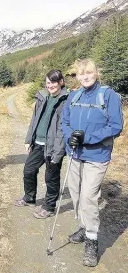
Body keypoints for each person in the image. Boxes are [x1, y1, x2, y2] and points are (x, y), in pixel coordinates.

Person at [62, 59, 123, 267]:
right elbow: (65, 121)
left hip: (97, 155)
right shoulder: (74, 95)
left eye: (89, 72)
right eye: (81, 73)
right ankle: (83, 226)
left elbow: (116, 126)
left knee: (89, 196)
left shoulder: (108, 95)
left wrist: (87, 137)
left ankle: (92, 240)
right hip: (75, 153)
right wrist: (70, 137)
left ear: (96, 73)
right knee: (76, 193)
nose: (85, 76)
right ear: (77, 76)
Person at [15, 70, 68, 219]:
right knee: (29, 170)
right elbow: (34, 119)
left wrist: (59, 150)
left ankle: (49, 207)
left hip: (53, 145)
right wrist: (28, 140)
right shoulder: (43, 97)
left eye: (53, 82)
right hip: (38, 142)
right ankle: (29, 197)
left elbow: (64, 127)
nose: (50, 85)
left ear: (61, 82)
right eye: (48, 82)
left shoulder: (66, 100)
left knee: (51, 177)